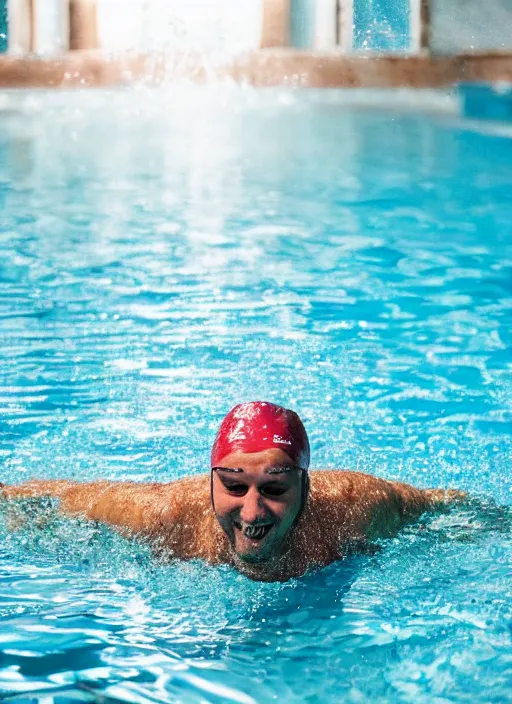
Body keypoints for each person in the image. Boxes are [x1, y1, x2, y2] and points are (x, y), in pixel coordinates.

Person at [0, 401, 462, 582]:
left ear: (307, 486)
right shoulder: (164, 516)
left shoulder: (356, 508)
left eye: (275, 488)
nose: (252, 511)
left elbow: (448, 506)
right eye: (234, 486)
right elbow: (60, 498)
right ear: (211, 482)